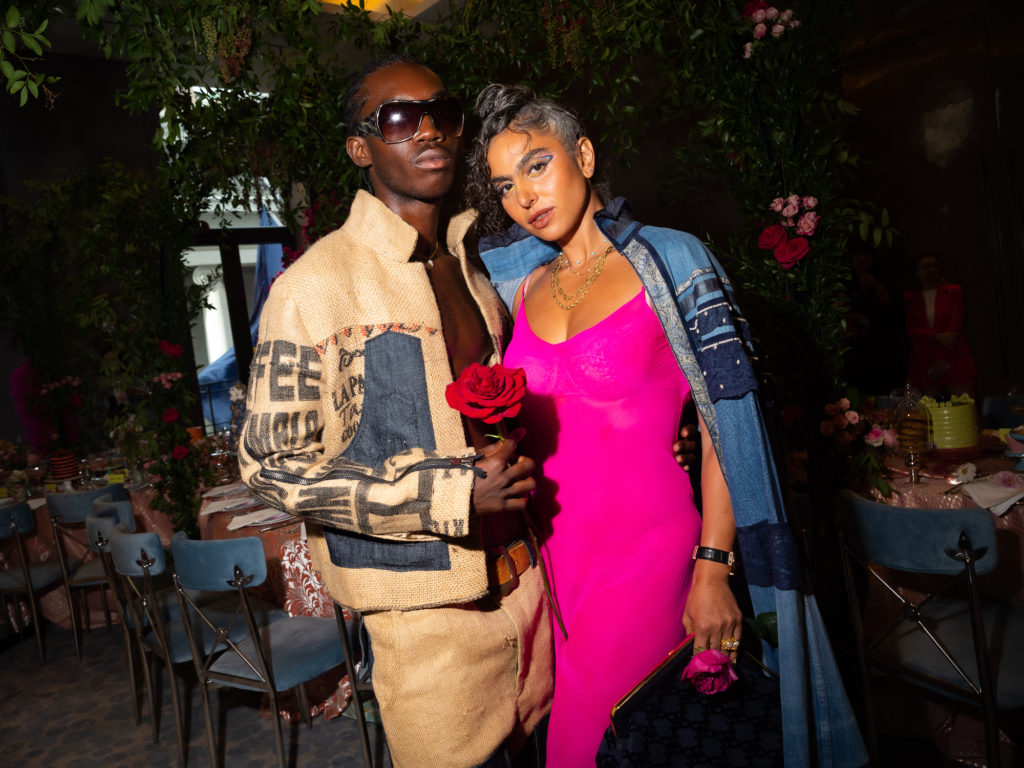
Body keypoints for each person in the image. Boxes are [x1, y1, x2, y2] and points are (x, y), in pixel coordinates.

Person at [466, 84, 868, 767]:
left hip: (650, 553)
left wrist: (713, 567)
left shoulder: (671, 263)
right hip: (558, 568)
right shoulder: (522, 289)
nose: (524, 196)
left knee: (592, 746)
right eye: (505, 185)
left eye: (537, 165)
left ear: (583, 155)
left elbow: (726, 425)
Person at [239, 56, 552, 768]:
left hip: (531, 591)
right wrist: (441, 497)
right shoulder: (312, 287)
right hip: (425, 624)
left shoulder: (472, 264)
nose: (430, 130)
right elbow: (270, 465)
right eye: (401, 118)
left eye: (441, 112)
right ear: (361, 147)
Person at [904, 250, 977, 398]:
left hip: (954, 357)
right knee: (929, 413)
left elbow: (954, 327)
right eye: (925, 267)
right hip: (924, 361)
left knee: (965, 409)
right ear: (916, 273)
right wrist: (936, 336)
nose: (931, 270)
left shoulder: (954, 292)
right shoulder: (910, 298)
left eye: (934, 266)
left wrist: (943, 359)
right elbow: (911, 330)